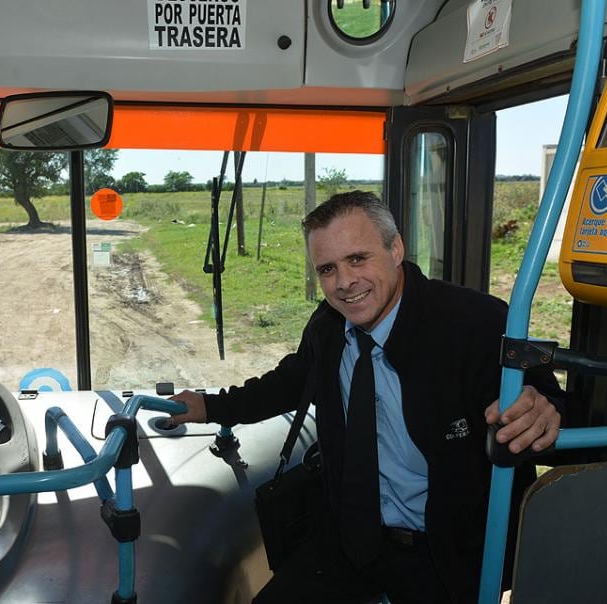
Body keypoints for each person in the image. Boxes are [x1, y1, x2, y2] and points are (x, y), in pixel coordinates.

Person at [170, 191, 567, 604]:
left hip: (446, 555)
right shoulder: (328, 326)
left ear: (395, 249)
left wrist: (544, 411)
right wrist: (211, 407)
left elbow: (558, 414)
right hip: (352, 540)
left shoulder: (475, 323)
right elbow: (288, 381)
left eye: (358, 259)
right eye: (327, 269)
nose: (344, 283)